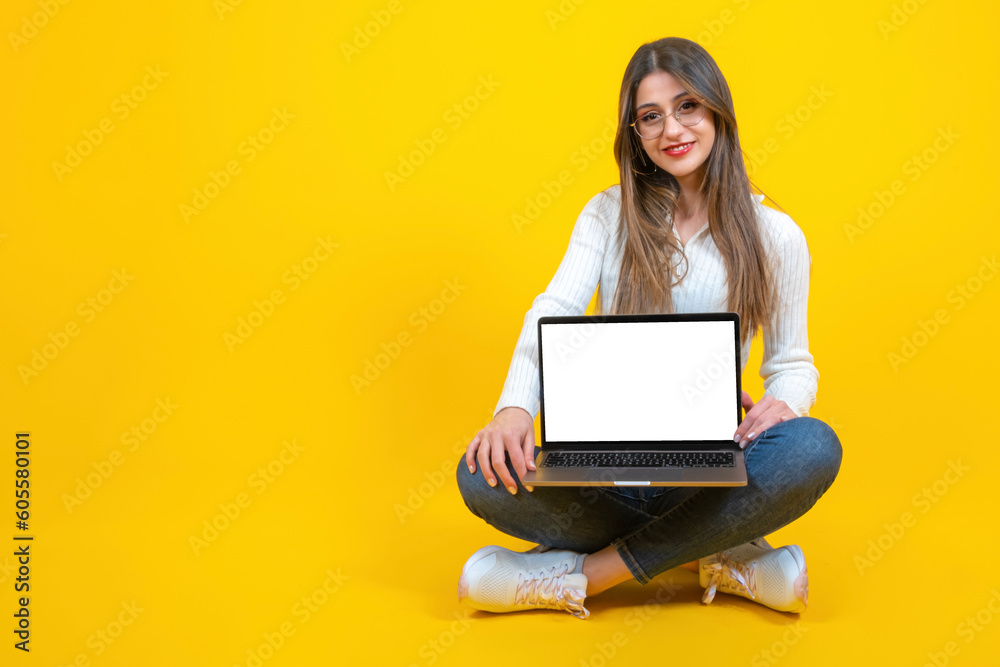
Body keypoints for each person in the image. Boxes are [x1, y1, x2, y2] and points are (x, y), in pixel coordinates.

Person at [454, 37, 842, 620]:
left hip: (707, 473)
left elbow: (792, 363)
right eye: (650, 116)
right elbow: (553, 305)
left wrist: (785, 403)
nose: (672, 130)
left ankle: (586, 576)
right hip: (603, 471)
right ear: (635, 133)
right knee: (480, 474)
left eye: (687, 107)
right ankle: (716, 554)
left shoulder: (776, 235)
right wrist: (513, 410)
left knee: (812, 447)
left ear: (717, 110)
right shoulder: (606, 213)